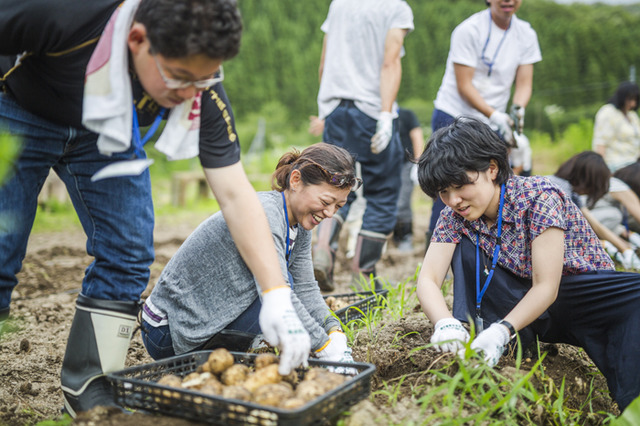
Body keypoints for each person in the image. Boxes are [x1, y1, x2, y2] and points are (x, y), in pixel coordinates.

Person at [0, 0, 311, 416]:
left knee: (128, 252)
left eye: (202, 81)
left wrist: (276, 295)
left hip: (106, 124)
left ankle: (91, 389)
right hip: (19, 107)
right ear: (137, 40)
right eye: (179, 78)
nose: (188, 95)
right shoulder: (61, 13)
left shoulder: (199, 85)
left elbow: (236, 194)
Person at [416, 117, 640, 411]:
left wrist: (502, 329)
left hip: (576, 296)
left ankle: (631, 403)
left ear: (492, 169)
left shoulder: (539, 197)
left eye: (460, 186)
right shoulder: (454, 215)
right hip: (517, 299)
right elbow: (428, 278)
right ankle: (484, 345)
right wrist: (444, 323)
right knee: (466, 249)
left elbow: (547, 286)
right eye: (443, 192)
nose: (454, 200)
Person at [141, 143, 359, 366]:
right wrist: (323, 347)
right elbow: (280, 288)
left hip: (201, 317)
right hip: (167, 330)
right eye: (326, 202)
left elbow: (306, 287)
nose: (330, 213)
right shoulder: (265, 213)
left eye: (338, 206)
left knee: (291, 288)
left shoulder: (299, 225)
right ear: (295, 181)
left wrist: (334, 331)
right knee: (280, 288)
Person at [312, 0, 414, 291]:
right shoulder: (396, 7)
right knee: (382, 192)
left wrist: (323, 109)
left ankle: (323, 251)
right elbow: (390, 62)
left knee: (337, 184)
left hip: (335, 110)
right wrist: (385, 115)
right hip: (370, 111)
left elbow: (324, 59)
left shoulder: (339, 3)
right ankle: (362, 272)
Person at [425, 0, 541, 251]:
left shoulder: (526, 34)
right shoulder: (469, 30)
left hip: (492, 120)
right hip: (454, 113)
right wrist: (493, 113)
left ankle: (494, 246)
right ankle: (437, 247)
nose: (508, 1)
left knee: (491, 182)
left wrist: (517, 109)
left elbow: (524, 83)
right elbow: (464, 85)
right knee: (448, 182)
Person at [547, 151, 640, 270]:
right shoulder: (559, 189)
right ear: (589, 180)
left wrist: (624, 249)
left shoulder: (572, 194)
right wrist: (604, 247)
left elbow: (593, 225)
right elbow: (573, 233)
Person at [393, 107, 424, 252]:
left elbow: (417, 136)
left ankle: (406, 237)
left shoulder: (406, 115)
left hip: (406, 164)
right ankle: (395, 237)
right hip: (386, 167)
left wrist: (417, 163)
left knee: (402, 202)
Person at [592, 81, 640, 172]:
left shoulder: (632, 115)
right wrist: (602, 171)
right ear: (622, 97)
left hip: (634, 163)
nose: (633, 104)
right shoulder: (607, 112)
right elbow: (600, 143)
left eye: (635, 100)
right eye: (630, 99)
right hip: (616, 165)